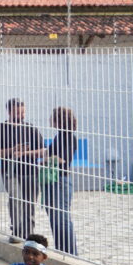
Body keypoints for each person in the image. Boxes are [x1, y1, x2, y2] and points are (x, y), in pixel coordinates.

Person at [0, 98, 47, 239]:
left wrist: (25, 153)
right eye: (18, 112)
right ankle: (16, 231)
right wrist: (13, 150)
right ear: (9, 112)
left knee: (29, 204)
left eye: (23, 112)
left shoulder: (31, 129)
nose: (21, 115)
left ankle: (28, 233)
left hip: (30, 172)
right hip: (10, 172)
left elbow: (43, 151)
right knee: (15, 200)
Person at [42, 107, 79, 255]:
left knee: (62, 218)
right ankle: (61, 250)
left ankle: (70, 253)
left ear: (59, 120)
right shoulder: (59, 136)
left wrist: (45, 161)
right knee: (54, 216)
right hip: (54, 179)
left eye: (53, 117)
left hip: (61, 180)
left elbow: (62, 159)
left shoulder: (69, 137)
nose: (50, 119)